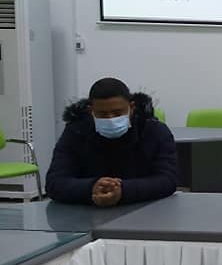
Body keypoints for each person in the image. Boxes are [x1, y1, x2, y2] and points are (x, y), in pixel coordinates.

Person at [45, 77, 177, 206]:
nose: (110, 119)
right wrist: (91, 188)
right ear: (91, 111)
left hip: (145, 211)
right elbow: (55, 183)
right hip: (87, 213)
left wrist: (123, 191)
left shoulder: (155, 132)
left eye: (117, 113)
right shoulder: (76, 133)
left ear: (131, 108)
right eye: (102, 114)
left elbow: (168, 180)